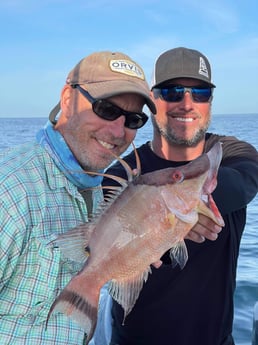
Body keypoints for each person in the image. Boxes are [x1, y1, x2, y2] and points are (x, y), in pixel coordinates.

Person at [101, 47, 258, 345]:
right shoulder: (122, 175)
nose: (187, 103)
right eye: (172, 92)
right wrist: (167, 219)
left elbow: (241, 184)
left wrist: (178, 205)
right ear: (152, 100)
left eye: (200, 92)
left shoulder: (234, 154)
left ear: (210, 101)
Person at [0, 51, 156, 345]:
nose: (118, 130)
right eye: (106, 109)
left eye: (134, 119)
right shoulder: (10, 190)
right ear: (67, 99)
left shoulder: (96, 188)